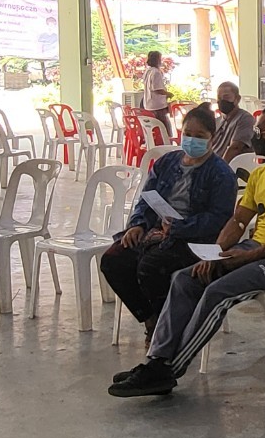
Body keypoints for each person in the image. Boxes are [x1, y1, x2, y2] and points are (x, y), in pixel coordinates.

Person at [109, 106, 265, 398]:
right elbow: (238, 221)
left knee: (217, 291)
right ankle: (157, 359)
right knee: (185, 279)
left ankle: (169, 370)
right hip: (254, 249)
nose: (254, 135)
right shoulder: (260, 175)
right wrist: (215, 254)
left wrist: (250, 255)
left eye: (260, 130)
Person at [100, 106, 237, 342]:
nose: (192, 140)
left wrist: (179, 228)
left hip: (194, 239)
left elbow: (219, 218)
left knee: (151, 267)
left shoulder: (221, 174)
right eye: (188, 134)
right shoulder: (167, 162)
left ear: (212, 139)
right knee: (113, 260)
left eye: (200, 136)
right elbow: (146, 198)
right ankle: (151, 319)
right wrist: (137, 225)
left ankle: (169, 328)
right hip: (157, 231)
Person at [210, 81, 255, 162]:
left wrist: (221, 167)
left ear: (237, 99)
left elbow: (235, 148)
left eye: (226, 97)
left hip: (231, 165)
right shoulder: (217, 121)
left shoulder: (245, 119)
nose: (222, 101)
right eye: (219, 98)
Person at [142, 51, 172, 135]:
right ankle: (166, 141)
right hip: (157, 106)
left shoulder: (148, 71)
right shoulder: (156, 72)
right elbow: (157, 89)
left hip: (148, 104)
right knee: (164, 128)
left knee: (154, 128)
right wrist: (168, 94)